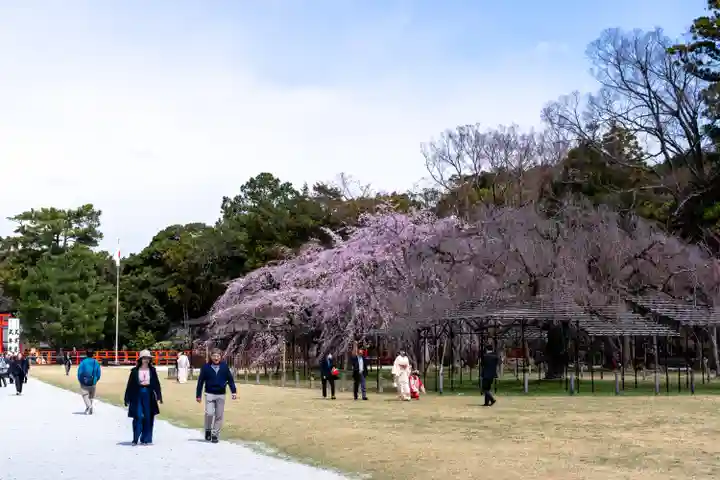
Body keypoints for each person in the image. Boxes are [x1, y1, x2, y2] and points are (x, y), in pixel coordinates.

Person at [195, 349, 237, 443]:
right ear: (211, 357)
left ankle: (215, 435)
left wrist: (233, 391)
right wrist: (198, 395)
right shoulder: (206, 367)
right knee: (209, 413)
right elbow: (200, 382)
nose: (216, 358)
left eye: (218, 356)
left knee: (219, 415)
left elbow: (230, 380)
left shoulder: (224, 367)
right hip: (209, 393)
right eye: (214, 356)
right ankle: (208, 430)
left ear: (220, 357)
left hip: (221, 394)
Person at [124, 350, 162, 446]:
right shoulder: (135, 371)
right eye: (144, 358)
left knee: (149, 416)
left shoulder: (152, 370)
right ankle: (135, 438)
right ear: (141, 359)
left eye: (148, 358)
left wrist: (159, 396)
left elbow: (156, 384)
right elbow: (130, 385)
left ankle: (146, 439)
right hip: (138, 394)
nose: (146, 360)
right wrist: (127, 397)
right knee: (138, 416)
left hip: (148, 394)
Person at [77, 349, 102, 414]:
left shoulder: (83, 362)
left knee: (85, 395)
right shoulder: (95, 362)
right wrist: (96, 380)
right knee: (91, 396)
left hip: (84, 382)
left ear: (86, 354)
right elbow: (98, 373)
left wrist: (80, 380)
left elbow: (80, 372)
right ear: (93, 354)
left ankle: (89, 407)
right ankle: (89, 407)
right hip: (93, 381)